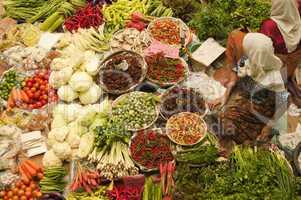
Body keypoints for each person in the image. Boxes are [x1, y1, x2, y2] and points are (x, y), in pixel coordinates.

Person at [214, 33, 288, 157]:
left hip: (261, 108)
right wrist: (224, 97)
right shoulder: (248, 59)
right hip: (248, 95)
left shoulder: (274, 78)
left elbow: (283, 103)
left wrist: (268, 127)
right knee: (224, 118)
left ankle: (243, 141)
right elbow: (236, 76)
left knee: (239, 133)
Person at [260, 0, 301, 106]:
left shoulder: (269, 25)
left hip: (277, 70)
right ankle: (289, 82)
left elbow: (261, 48)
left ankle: (280, 93)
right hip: (291, 67)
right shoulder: (298, 22)